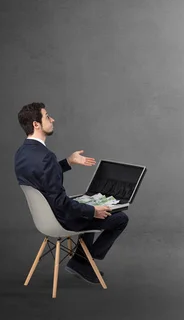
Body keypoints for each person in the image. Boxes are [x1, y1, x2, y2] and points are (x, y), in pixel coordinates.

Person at [14, 102, 129, 284]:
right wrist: (93, 211)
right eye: (47, 116)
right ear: (36, 124)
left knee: (86, 208)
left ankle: (82, 261)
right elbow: (61, 202)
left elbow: (43, 177)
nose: (53, 120)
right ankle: (83, 262)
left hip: (44, 218)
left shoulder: (23, 153)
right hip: (60, 217)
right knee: (120, 218)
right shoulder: (46, 156)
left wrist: (68, 161)